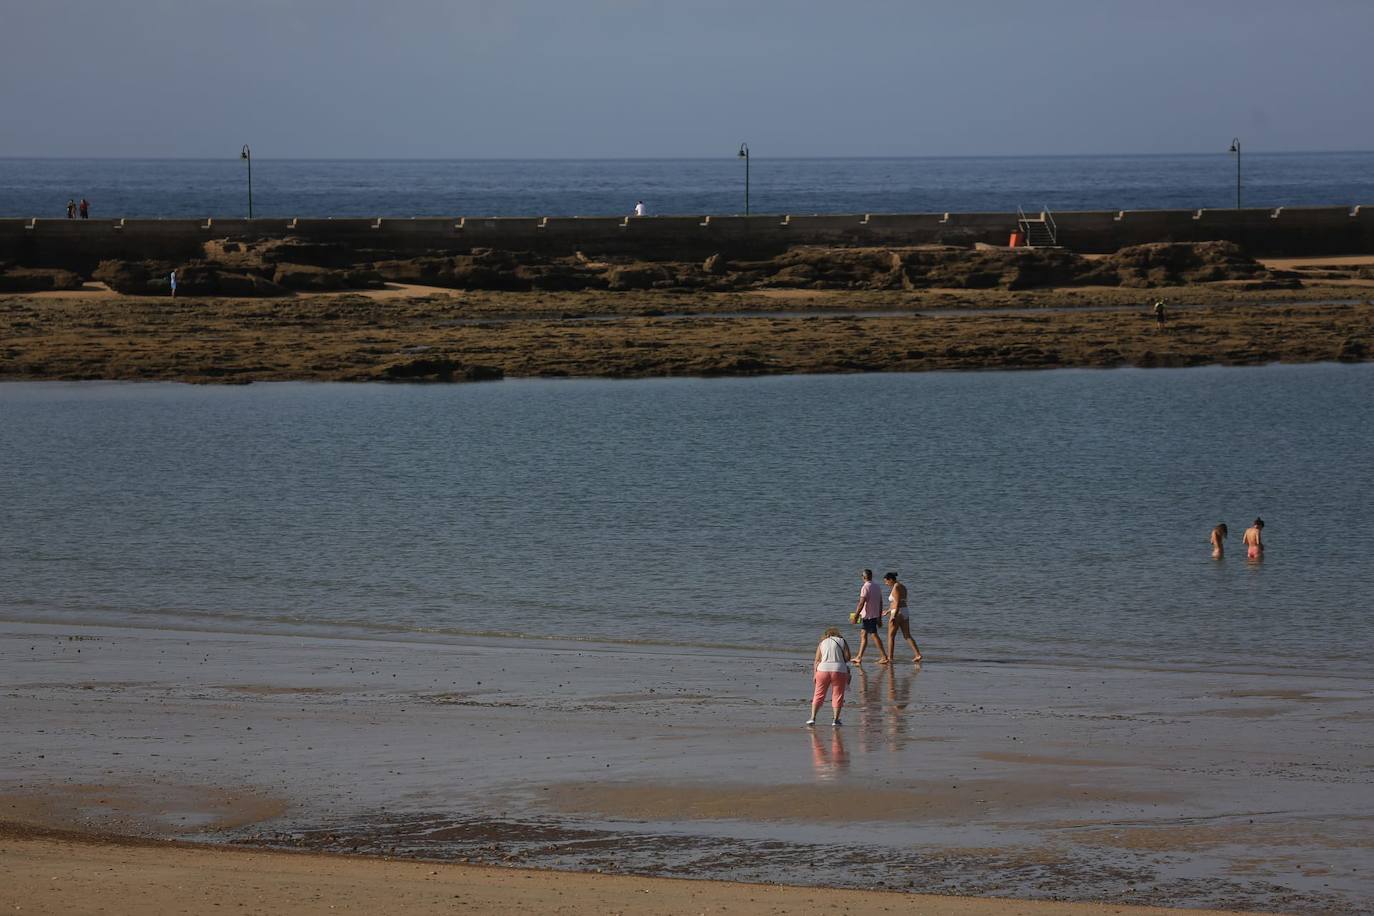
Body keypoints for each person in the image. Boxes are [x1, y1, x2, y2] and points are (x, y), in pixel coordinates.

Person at [807, 627, 851, 727]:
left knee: (818, 694)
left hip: (823, 670)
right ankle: (835, 720)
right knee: (838, 695)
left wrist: (815, 674)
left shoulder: (822, 643)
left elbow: (817, 660)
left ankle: (812, 718)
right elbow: (848, 657)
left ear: (827, 634)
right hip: (839, 670)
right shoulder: (842, 641)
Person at [850, 569, 889, 665]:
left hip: (868, 616)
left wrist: (855, 615)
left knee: (874, 635)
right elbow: (880, 602)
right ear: (871, 576)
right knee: (863, 634)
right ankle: (859, 657)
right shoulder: (877, 586)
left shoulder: (865, 587)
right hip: (874, 615)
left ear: (863, 577)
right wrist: (879, 617)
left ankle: (884, 656)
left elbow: (861, 603)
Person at [884, 572, 922, 663]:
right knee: (907, 635)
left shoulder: (896, 587)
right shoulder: (902, 586)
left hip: (898, 613)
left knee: (890, 636)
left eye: (886, 581)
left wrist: (893, 616)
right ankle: (918, 654)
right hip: (905, 611)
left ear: (891, 580)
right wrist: (888, 611)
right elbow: (901, 601)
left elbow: (896, 603)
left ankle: (890, 658)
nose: (886, 584)